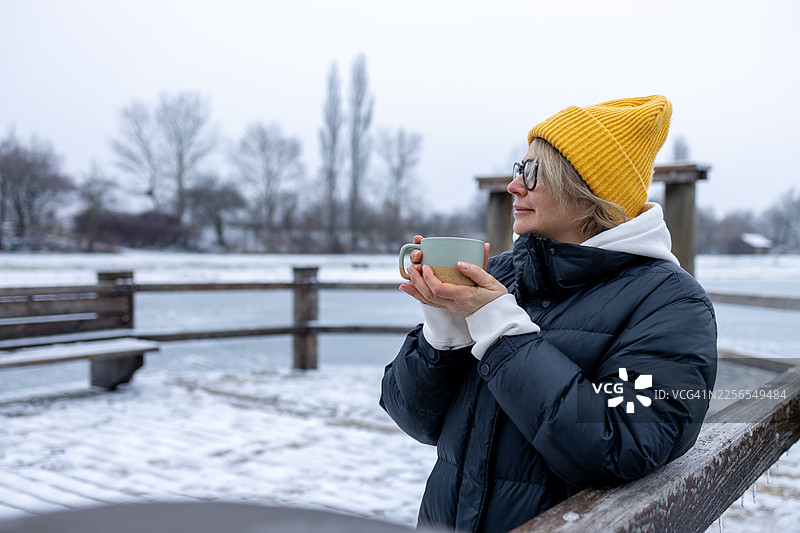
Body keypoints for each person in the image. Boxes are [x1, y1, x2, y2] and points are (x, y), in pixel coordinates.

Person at [380, 95, 717, 533]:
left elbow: (626, 442)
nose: (513, 186)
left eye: (531, 172)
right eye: (517, 170)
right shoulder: (501, 275)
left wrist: (504, 336)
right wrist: (442, 335)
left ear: (585, 188)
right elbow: (414, 419)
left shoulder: (669, 303)